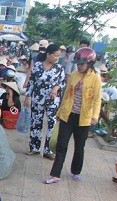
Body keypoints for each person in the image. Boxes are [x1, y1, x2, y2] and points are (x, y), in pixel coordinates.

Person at [44, 47, 102, 184]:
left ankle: (76, 171)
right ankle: (55, 174)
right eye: (78, 64)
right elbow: (66, 95)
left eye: (82, 64)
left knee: (79, 146)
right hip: (68, 115)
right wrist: (59, 112)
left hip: (84, 118)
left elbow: (97, 99)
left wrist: (95, 116)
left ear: (90, 63)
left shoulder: (95, 79)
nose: (79, 66)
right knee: (61, 145)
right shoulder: (74, 75)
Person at [24, 44, 66, 159]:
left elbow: (62, 82)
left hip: (52, 100)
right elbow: (32, 82)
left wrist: (56, 88)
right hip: (37, 99)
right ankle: (34, 147)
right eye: (55, 55)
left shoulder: (59, 68)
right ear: (48, 54)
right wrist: (27, 96)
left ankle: (48, 149)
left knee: (51, 123)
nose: (57, 58)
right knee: (36, 122)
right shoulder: (37, 66)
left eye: (58, 56)